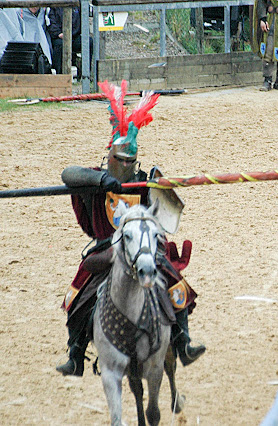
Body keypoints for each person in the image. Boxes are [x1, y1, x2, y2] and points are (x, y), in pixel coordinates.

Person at [56, 81, 206, 377]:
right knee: (77, 299)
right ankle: (76, 354)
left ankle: (183, 342)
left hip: (142, 247)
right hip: (107, 249)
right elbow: (67, 174)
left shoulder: (144, 181)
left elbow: (162, 216)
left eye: (130, 161)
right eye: (120, 159)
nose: (125, 165)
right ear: (110, 156)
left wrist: (154, 188)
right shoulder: (94, 178)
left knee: (174, 285)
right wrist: (101, 183)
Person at [46, 6, 92, 75]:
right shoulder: (54, 5)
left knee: (88, 42)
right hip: (59, 37)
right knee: (59, 45)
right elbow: (50, 23)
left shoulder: (77, 4)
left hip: (74, 36)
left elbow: (83, 20)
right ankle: (59, 74)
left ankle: (85, 74)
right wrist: (58, 33)